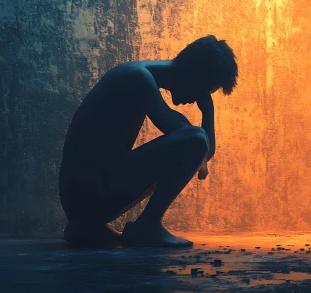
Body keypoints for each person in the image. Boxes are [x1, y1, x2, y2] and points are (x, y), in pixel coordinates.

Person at [59, 35, 238, 247]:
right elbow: (198, 144)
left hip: (81, 197)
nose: (198, 99)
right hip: (86, 196)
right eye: (203, 91)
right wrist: (207, 113)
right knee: (196, 138)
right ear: (193, 74)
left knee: (195, 138)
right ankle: (147, 226)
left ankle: (88, 228)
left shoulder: (138, 74)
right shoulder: (137, 78)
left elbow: (201, 153)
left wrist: (208, 112)